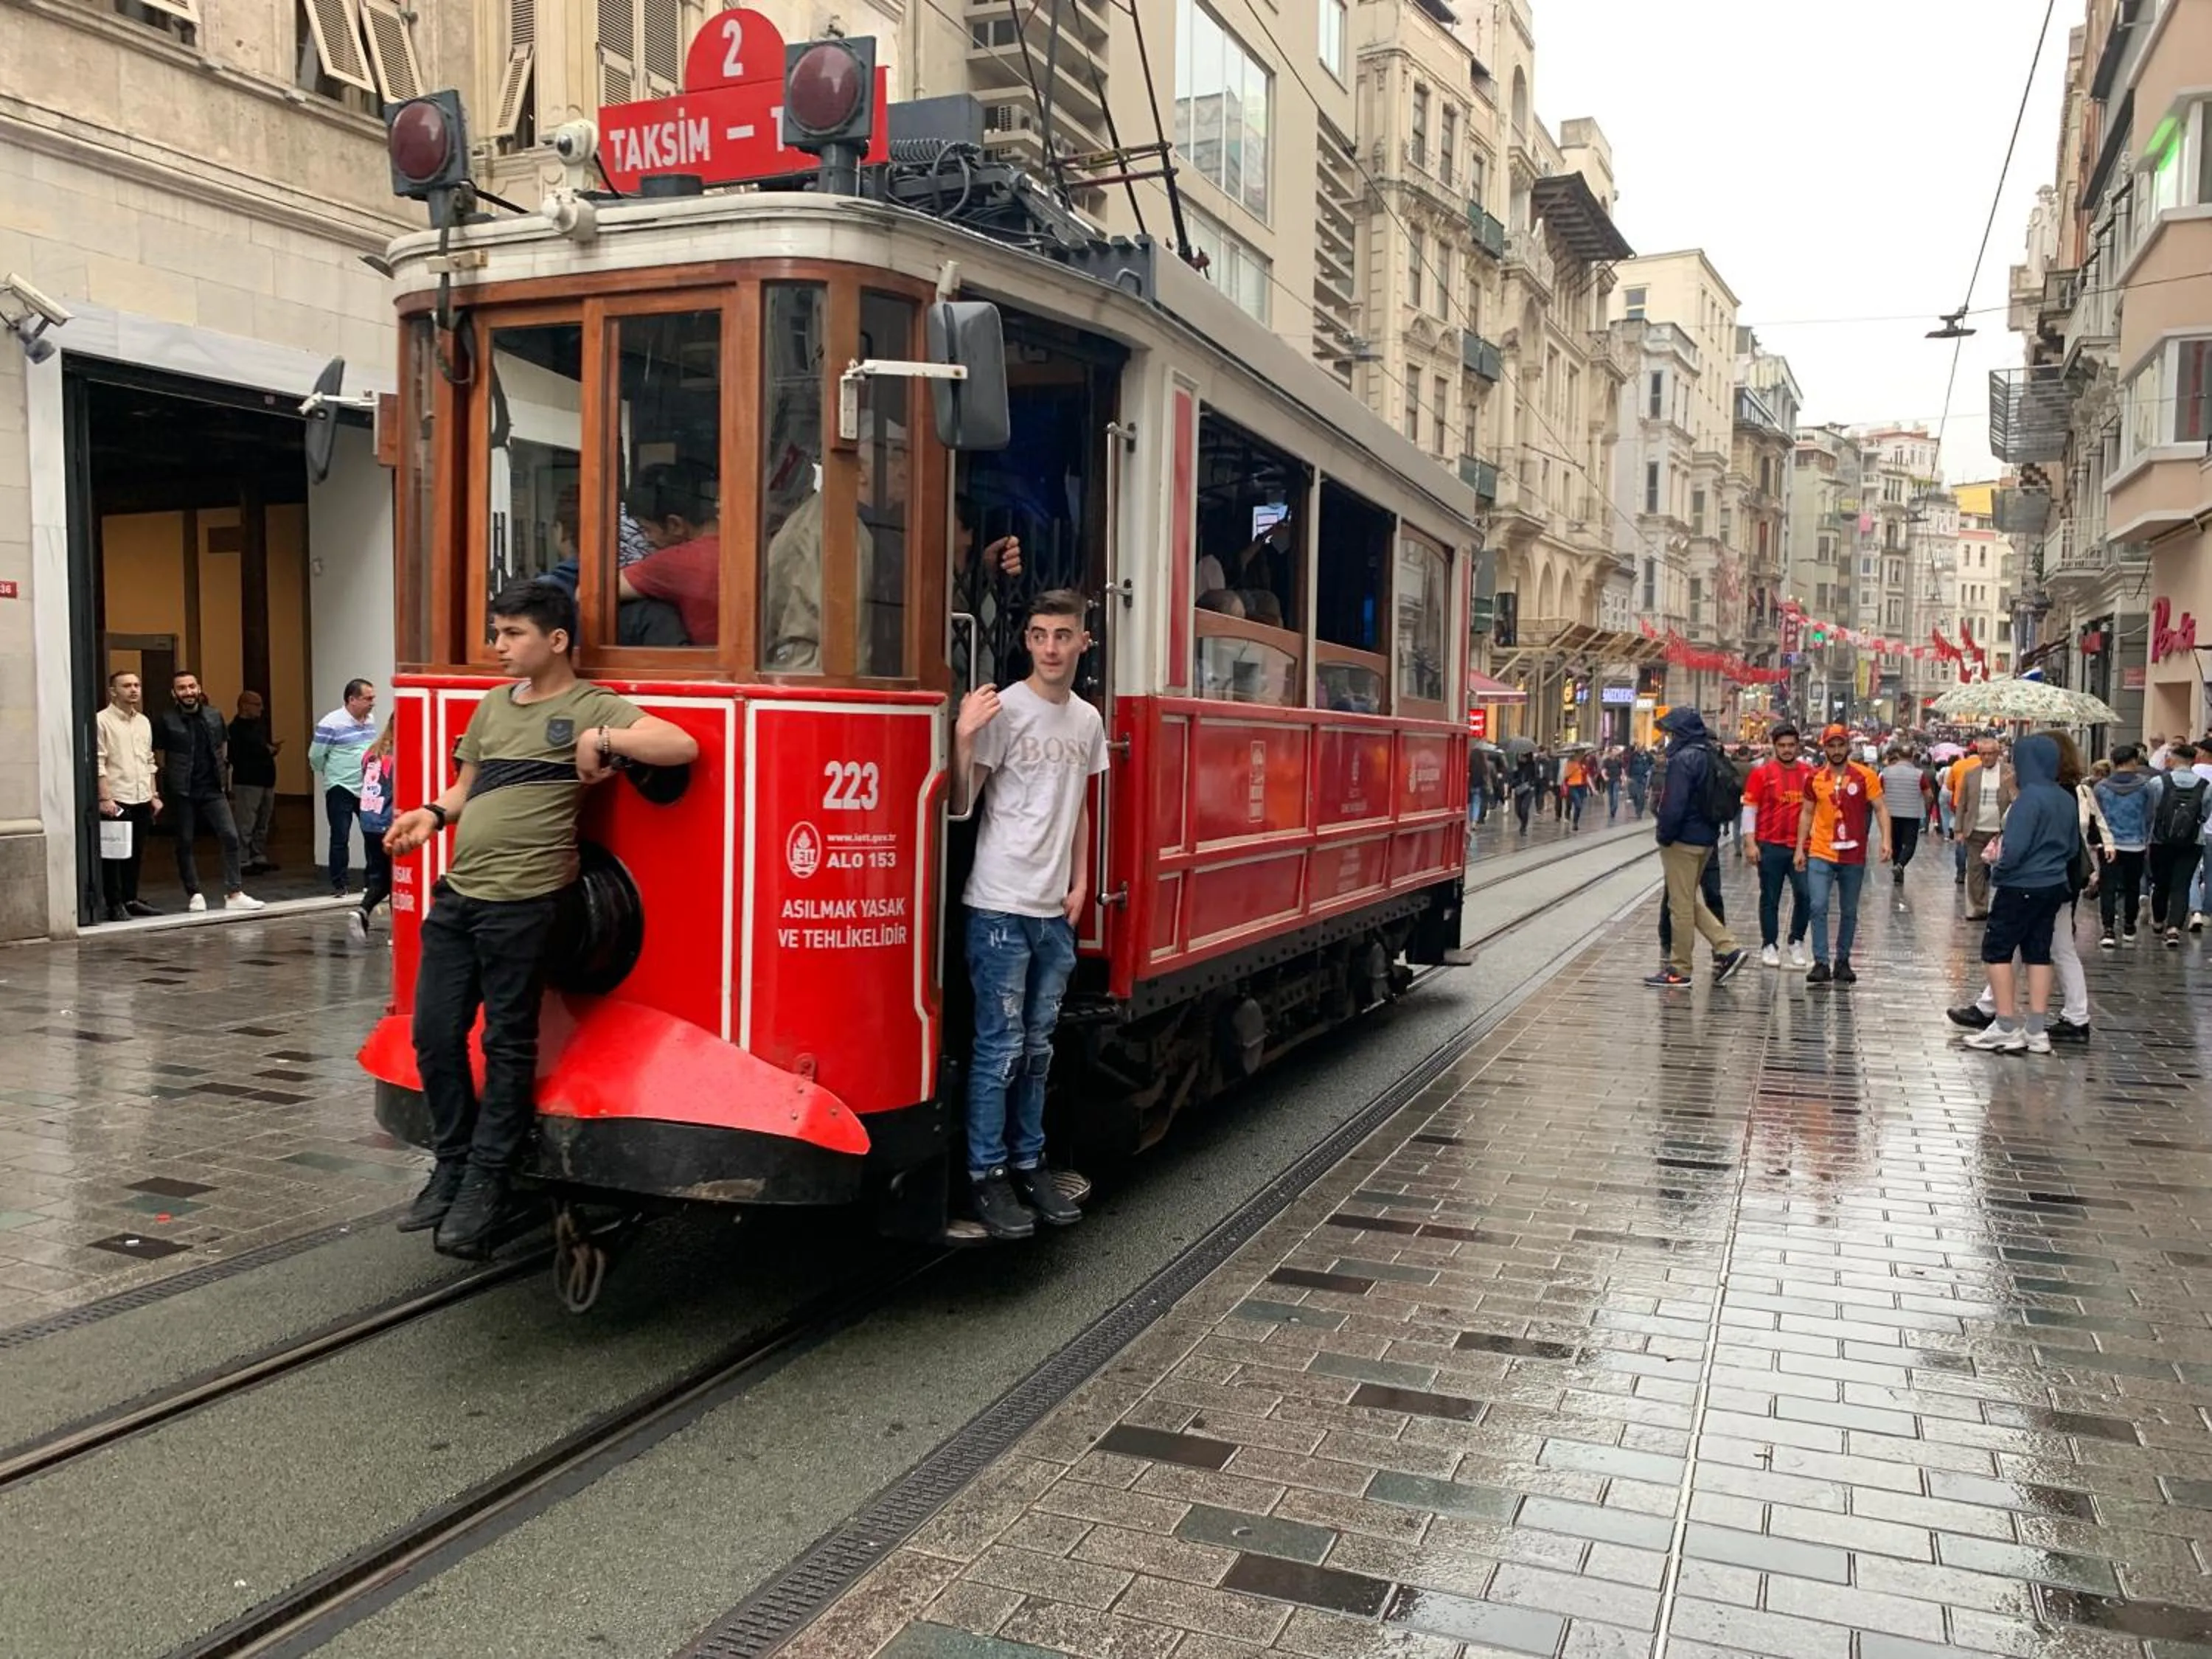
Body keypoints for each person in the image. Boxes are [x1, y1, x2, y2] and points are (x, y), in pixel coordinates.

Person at [385, 580, 701, 1257]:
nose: (498, 647)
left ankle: (487, 1181)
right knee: (435, 1035)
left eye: (511, 634)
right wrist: (430, 816)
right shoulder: (495, 705)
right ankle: (454, 1163)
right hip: (460, 896)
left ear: (556, 641)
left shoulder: (592, 703)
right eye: (496, 634)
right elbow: (469, 788)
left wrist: (602, 737)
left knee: (508, 1042)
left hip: (526, 904)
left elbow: (680, 746)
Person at [955, 589, 1110, 1241]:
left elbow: (1077, 804)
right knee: (1001, 1050)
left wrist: (1081, 883)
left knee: (1038, 1048)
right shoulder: (1004, 710)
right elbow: (963, 803)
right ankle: (987, 1174)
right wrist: (963, 736)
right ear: (1027, 642)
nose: (1051, 647)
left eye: (1062, 635)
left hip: (1052, 911)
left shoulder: (1087, 721)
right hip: (997, 904)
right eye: (1040, 635)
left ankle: (1028, 1162)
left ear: (1083, 643)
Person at [1963, 734, 2076, 1056]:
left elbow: (2014, 849)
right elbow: (2070, 847)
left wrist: (2000, 867)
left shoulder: (2029, 800)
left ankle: (2005, 1023)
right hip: (2053, 884)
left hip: (2020, 884)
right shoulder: (2064, 798)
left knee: (1997, 951)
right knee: (2038, 953)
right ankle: (2037, 1030)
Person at [1646, 706, 1749, 988]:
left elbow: (1674, 804)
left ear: (1680, 733)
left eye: (1670, 732)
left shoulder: (1683, 759)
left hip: (1683, 840)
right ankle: (1728, 948)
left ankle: (1680, 969)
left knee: (1680, 907)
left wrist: (1664, 834)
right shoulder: (1708, 754)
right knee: (1687, 900)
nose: (1667, 738)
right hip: (1706, 838)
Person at [152, 670, 262, 913]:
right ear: (174, 693)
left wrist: (223, 781)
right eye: (182, 688)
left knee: (230, 836)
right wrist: (166, 783)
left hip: (212, 787)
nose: (188, 692)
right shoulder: (166, 720)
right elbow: (159, 756)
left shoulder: (214, 716)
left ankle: (235, 892)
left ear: (199, 688)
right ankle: (194, 893)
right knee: (185, 841)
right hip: (182, 790)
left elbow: (222, 747)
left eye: (192, 687)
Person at [1795, 724, 1889, 984]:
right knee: (1818, 906)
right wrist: (1800, 847)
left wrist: (1886, 840)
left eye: (1840, 745)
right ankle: (1821, 962)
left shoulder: (1865, 776)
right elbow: (1806, 813)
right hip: (1821, 852)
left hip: (1853, 854)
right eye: (1831, 746)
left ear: (1848, 746)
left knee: (1849, 910)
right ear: (1824, 748)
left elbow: (1880, 808)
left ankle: (1843, 960)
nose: (1836, 751)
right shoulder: (1814, 779)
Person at [618, 466, 722, 646]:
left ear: (675, 525)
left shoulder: (677, 562)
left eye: (647, 529)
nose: (647, 539)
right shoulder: (743, 543)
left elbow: (590, 594)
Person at [1741, 723, 1813, 968]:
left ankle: (1797, 941)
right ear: (1774, 747)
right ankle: (1769, 944)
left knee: (1805, 895)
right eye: (1781, 746)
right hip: (1770, 845)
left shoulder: (1810, 774)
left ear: (1798, 746)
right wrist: (1750, 843)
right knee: (1770, 897)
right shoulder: (1761, 774)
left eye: (1791, 745)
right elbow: (1750, 809)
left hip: (1802, 847)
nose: (1786, 750)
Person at [95, 669, 161, 920]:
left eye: (137, 685)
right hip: (117, 796)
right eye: (126, 686)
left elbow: (149, 760)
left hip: (141, 796)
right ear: (113, 691)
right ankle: (114, 903)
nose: (133, 690)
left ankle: (131, 898)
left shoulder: (143, 721)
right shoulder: (102, 721)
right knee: (114, 854)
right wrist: (105, 798)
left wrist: (153, 793)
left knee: (136, 852)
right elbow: (99, 762)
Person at [310, 679, 378, 897]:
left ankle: (372, 881)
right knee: (340, 836)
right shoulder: (331, 723)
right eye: (368, 698)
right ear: (352, 699)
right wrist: (331, 775)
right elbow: (316, 756)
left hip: (367, 786)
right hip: (341, 786)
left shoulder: (370, 720)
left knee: (372, 834)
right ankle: (340, 884)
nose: (372, 703)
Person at [2143, 742, 2209, 946]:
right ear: (2193, 760)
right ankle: (2174, 929)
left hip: (2160, 840)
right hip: (2193, 840)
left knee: (2161, 882)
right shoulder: (2205, 785)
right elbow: (2205, 814)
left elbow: (2150, 811)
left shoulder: (2157, 782)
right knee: (2182, 883)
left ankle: (2159, 921)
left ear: (2173, 758)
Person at [2092, 745, 2152, 947]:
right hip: (2135, 844)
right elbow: (2150, 814)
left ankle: (2108, 929)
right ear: (2134, 761)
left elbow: (2097, 816)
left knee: (2107, 887)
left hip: (2109, 844)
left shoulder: (2101, 787)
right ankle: (2129, 926)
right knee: (2132, 886)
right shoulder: (2145, 787)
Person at [1950, 733, 2013, 919]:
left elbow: (2016, 798)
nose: (1987, 757)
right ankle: (1979, 907)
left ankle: (2002, 906)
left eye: (1991, 753)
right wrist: (1959, 829)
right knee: (1976, 870)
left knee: (2003, 870)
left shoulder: (2009, 772)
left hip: (2000, 831)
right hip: (1975, 830)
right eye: (1983, 754)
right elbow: (1962, 803)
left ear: (1998, 754)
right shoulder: (1972, 775)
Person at [229, 690, 282, 877]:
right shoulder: (235, 729)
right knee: (245, 823)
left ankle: (258, 856)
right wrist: (264, 750)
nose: (262, 708)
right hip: (247, 781)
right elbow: (235, 756)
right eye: (257, 704)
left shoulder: (259, 726)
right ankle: (242, 860)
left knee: (262, 822)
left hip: (266, 780)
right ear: (244, 706)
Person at [352, 719, 395, 944]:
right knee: (397, 878)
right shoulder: (398, 755)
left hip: (369, 821)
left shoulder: (371, 752)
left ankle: (362, 910)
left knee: (380, 877)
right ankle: (395, 932)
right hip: (389, 822)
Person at [1876, 745, 1934, 886]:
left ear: (1898, 754)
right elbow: (1929, 795)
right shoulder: (1919, 774)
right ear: (1913, 756)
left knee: (1895, 843)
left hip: (1891, 813)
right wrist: (1926, 807)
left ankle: (1897, 867)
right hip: (1912, 814)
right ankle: (1901, 865)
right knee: (1909, 844)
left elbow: (1879, 793)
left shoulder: (1886, 772)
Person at [1509, 750, 1540, 835]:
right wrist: (1513, 783)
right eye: (1520, 756)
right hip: (1518, 790)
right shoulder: (1517, 766)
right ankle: (1523, 822)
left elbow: (1536, 777)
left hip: (1528, 790)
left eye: (1522, 756)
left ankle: (1523, 827)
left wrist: (1531, 784)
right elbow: (1512, 778)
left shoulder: (1532, 766)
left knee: (1524, 809)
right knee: (1518, 810)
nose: (1521, 758)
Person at [1564, 751, 1590, 830]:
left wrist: (1592, 787)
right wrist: (1575, 768)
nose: (1580, 756)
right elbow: (1566, 775)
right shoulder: (1570, 763)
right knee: (1578, 804)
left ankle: (1575, 822)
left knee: (1579, 807)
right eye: (1579, 755)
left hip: (1582, 786)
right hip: (1572, 786)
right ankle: (1570, 818)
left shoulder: (1584, 763)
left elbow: (1586, 775)